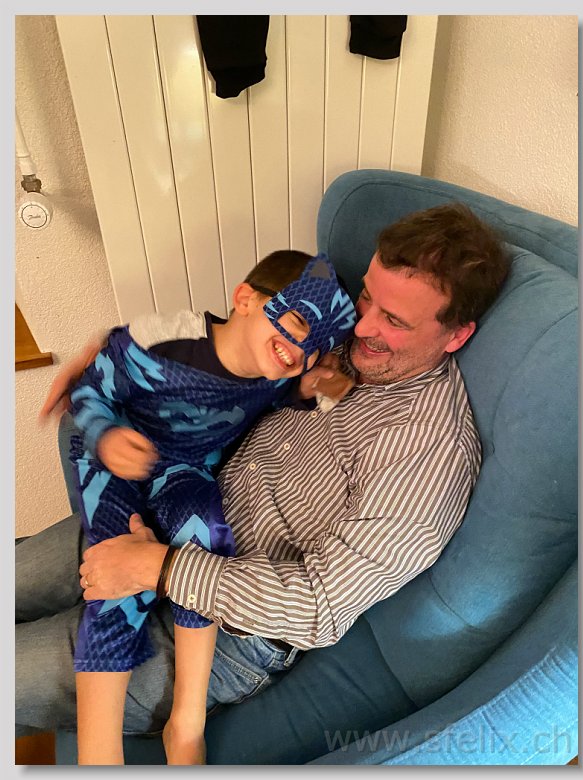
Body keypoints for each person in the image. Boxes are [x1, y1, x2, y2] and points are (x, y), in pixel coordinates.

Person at [16, 203, 510, 763]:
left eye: (394, 321)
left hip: (226, 624)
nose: (362, 328)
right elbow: (230, 344)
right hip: (164, 506)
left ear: (456, 335)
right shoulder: (335, 339)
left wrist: (160, 568)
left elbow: (322, 608)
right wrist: (113, 359)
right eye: (367, 298)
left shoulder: (426, 451)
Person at [51, 249, 357, 766]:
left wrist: (315, 386)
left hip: (183, 471)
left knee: (208, 535)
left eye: (317, 347)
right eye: (299, 323)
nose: (302, 350)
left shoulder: (280, 373)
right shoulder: (161, 340)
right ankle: (98, 754)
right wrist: (105, 435)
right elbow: (87, 391)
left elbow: (289, 394)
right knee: (118, 580)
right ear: (244, 299)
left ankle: (186, 723)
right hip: (113, 464)